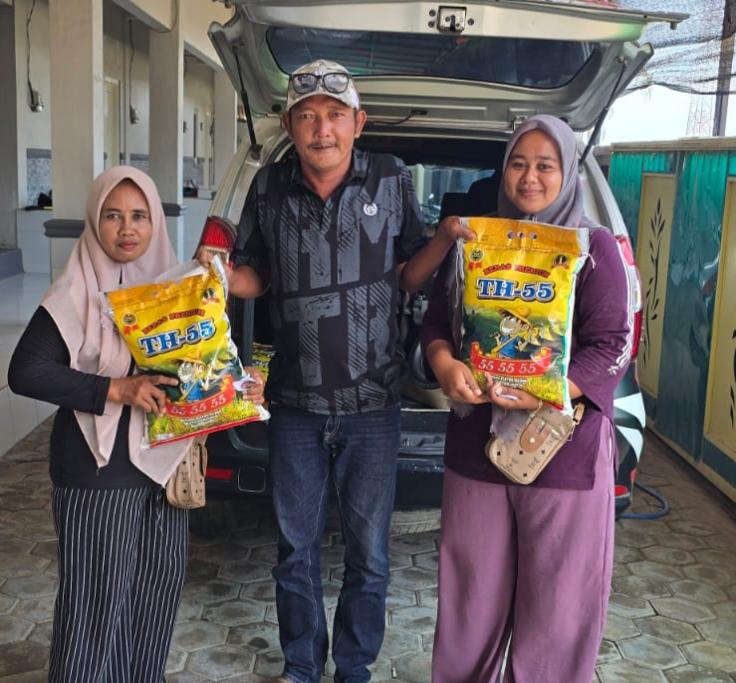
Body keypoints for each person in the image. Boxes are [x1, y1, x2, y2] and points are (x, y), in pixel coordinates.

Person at [197, 59, 471, 683]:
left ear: (358, 123)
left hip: (374, 402)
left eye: (335, 115)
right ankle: (301, 666)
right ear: (290, 124)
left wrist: (446, 238)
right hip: (294, 403)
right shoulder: (269, 185)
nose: (322, 129)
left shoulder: (390, 178)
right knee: (294, 551)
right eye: (308, 116)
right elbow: (258, 276)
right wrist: (220, 276)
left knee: (368, 555)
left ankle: (353, 668)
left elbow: (408, 272)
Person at [8, 166, 264, 682]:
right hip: (97, 470)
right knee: (95, 604)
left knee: (155, 591)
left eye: (139, 216)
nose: (127, 228)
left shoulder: (179, 290)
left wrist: (242, 386)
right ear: (94, 221)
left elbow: (202, 370)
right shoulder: (75, 292)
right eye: (113, 216)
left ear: (156, 223)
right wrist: (115, 390)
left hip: (164, 471)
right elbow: (25, 372)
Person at [422, 115, 633, 683]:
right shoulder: (475, 243)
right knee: (469, 602)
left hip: (562, 450)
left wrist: (547, 391)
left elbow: (613, 344)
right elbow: (436, 323)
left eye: (545, 165)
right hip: (476, 448)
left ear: (568, 174)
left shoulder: (593, 248)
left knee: (557, 611)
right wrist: (444, 365)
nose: (529, 177)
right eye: (518, 163)